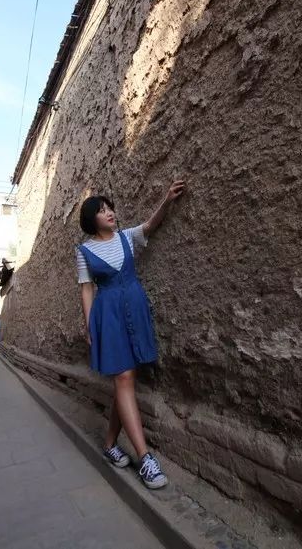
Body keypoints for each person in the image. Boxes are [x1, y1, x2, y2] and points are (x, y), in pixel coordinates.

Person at [76, 180, 186, 489]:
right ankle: (145, 457)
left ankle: (110, 443)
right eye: (101, 210)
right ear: (90, 220)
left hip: (134, 309)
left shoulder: (126, 237)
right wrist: (89, 326)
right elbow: (86, 289)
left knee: (126, 380)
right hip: (107, 316)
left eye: (110, 208)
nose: (109, 213)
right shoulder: (84, 251)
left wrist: (166, 200)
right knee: (124, 378)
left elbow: (150, 225)